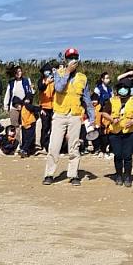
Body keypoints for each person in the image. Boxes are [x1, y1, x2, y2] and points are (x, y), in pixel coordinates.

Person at [42, 48, 94, 186]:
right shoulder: (58, 73)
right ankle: (49, 174)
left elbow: (87, 99)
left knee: (74, 147)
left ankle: (73, 174)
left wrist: (92, 118)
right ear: (65, 60)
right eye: (70, 57)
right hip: (60, 114)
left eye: (75, 57)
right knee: (54, 146)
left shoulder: (83, 78)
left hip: (75, 115)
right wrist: (67, 72)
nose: (73, 60)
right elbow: (59, 88)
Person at [99, 79, 133, 186]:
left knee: (127, 155)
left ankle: (127, 176)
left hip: (130, 132)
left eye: (125, 88)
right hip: (115, 132)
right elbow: (104, 113)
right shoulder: (112, 100)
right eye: (121, 88)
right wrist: (112, 119)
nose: (123, 90)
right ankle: (118, 175)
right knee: (117, 154)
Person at [37, 62, 55, 153]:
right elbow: (41, 88)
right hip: (44, 107)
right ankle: (43, 145)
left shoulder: (54, 81)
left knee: (53, 127)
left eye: (49, 71)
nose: (47, 72)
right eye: (45, 71)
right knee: (45, 127)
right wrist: (47, 82)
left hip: (54, 107)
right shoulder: (41, 80)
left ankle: (51, 145)